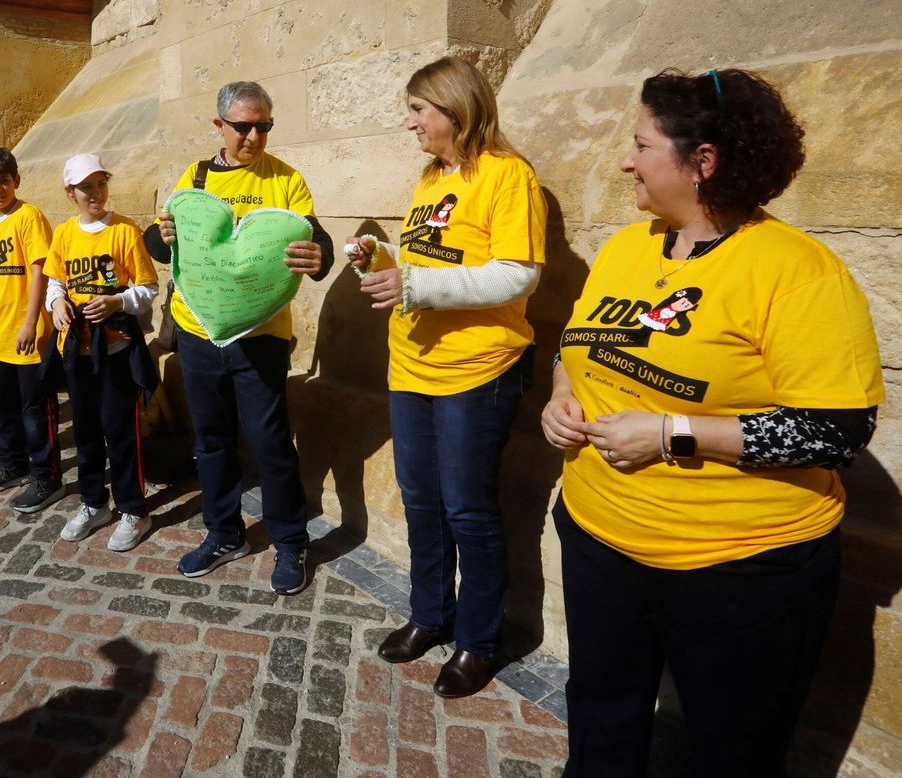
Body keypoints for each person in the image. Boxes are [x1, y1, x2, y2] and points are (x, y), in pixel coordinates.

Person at [539, 68, 883, 777]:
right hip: (601, 541)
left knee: (733, 751)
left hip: (740, 572)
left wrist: (672, 434)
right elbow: (577, 348)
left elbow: (833, 430)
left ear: (703, 162)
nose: (626, 160)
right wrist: (558, 398)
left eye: (641, 145)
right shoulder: (627, 247)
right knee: (601, 712)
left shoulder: (799, 271)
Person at [350, 56, 546, 698]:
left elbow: (516, 273)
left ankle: (479, 640)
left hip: (477, 370)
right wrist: (380, 258)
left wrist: (415, 281)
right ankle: (429, 615)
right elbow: (425, 259)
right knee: (420, 499)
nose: (411, 125)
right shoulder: (431, 179)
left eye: (417, 111)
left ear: (455, 110)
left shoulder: (508, 176)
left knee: (468, 509)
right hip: (411, 365)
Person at [145, 80, 332, 596]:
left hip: (262, 337)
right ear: (219, 125)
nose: (253, 136)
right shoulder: (195, 177)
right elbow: (165, 247)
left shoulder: (287, 180)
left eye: (263, 126)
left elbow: (314, 241)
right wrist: (158, 237)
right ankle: (225, 533)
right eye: (243, 126)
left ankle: (291, 541)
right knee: (212, 442)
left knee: (272, 443)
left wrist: (321, 257)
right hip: (199, 332)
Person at [46, 153, 159, 552]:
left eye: (100, 184)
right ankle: (94, 502)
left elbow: (148, 289)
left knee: (121, 431)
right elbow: (55, 282)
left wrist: (116, 303)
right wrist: (56, 304)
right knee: (87, 431)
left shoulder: (125, 231)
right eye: (85, 186)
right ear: (70, 192)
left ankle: (134, 508)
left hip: (116, 349)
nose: (94, 193)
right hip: (77, 350)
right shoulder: (63, 234)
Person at [0, 146, 63, 515]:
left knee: (34, 410)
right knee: (5, 410)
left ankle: (47, 477)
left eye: (4, 181)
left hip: (28, 335)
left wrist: (30, 322)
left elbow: (40, 271)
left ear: (16, 181)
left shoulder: (29, 217)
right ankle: (13, 464)